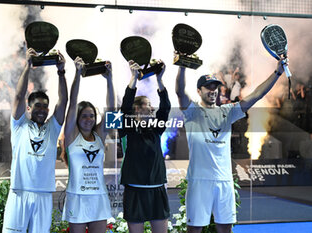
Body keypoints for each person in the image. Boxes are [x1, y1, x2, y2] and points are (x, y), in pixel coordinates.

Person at [175, 57, 287, 233]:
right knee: (194, 230)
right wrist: (181, 66)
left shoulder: (228, 111)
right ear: (199, 91)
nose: (213, 91)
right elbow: (180, 92)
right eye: (208, 87)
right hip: (200, 181)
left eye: (216, 87)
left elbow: (257, 95)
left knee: (225, 230)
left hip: (224, 181)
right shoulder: (193, 112)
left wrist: (278, 72)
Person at [2, 48, 68, 233]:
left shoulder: (52, 129)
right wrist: (27, 65)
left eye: (45, 106)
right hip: (19, 192)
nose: (42, 109)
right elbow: (17, 96)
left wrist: (61, 71)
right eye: (37, 105)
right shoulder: (19, 125)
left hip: (43, 194)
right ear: (28, 109)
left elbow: (63, 102)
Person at [61, 56, 115, 233]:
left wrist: (109, 80)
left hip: (98, 196)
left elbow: (112, 112)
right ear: (77, 118)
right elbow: (71, 103)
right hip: (77, 197)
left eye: (91, 115)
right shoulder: (71, 135)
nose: (88, 119)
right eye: (84, 115)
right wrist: (77, 73)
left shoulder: (99, 135)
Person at [119, 60, 171, 233]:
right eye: (146, 105)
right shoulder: (127, 127)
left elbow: (165, 108)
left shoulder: (156, 129)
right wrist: (134, 78)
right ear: (135, 111)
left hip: (157, 190)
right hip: (134, 190)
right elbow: (125, 106)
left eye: (150, 106)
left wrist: (160, 79)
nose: (150, 109)